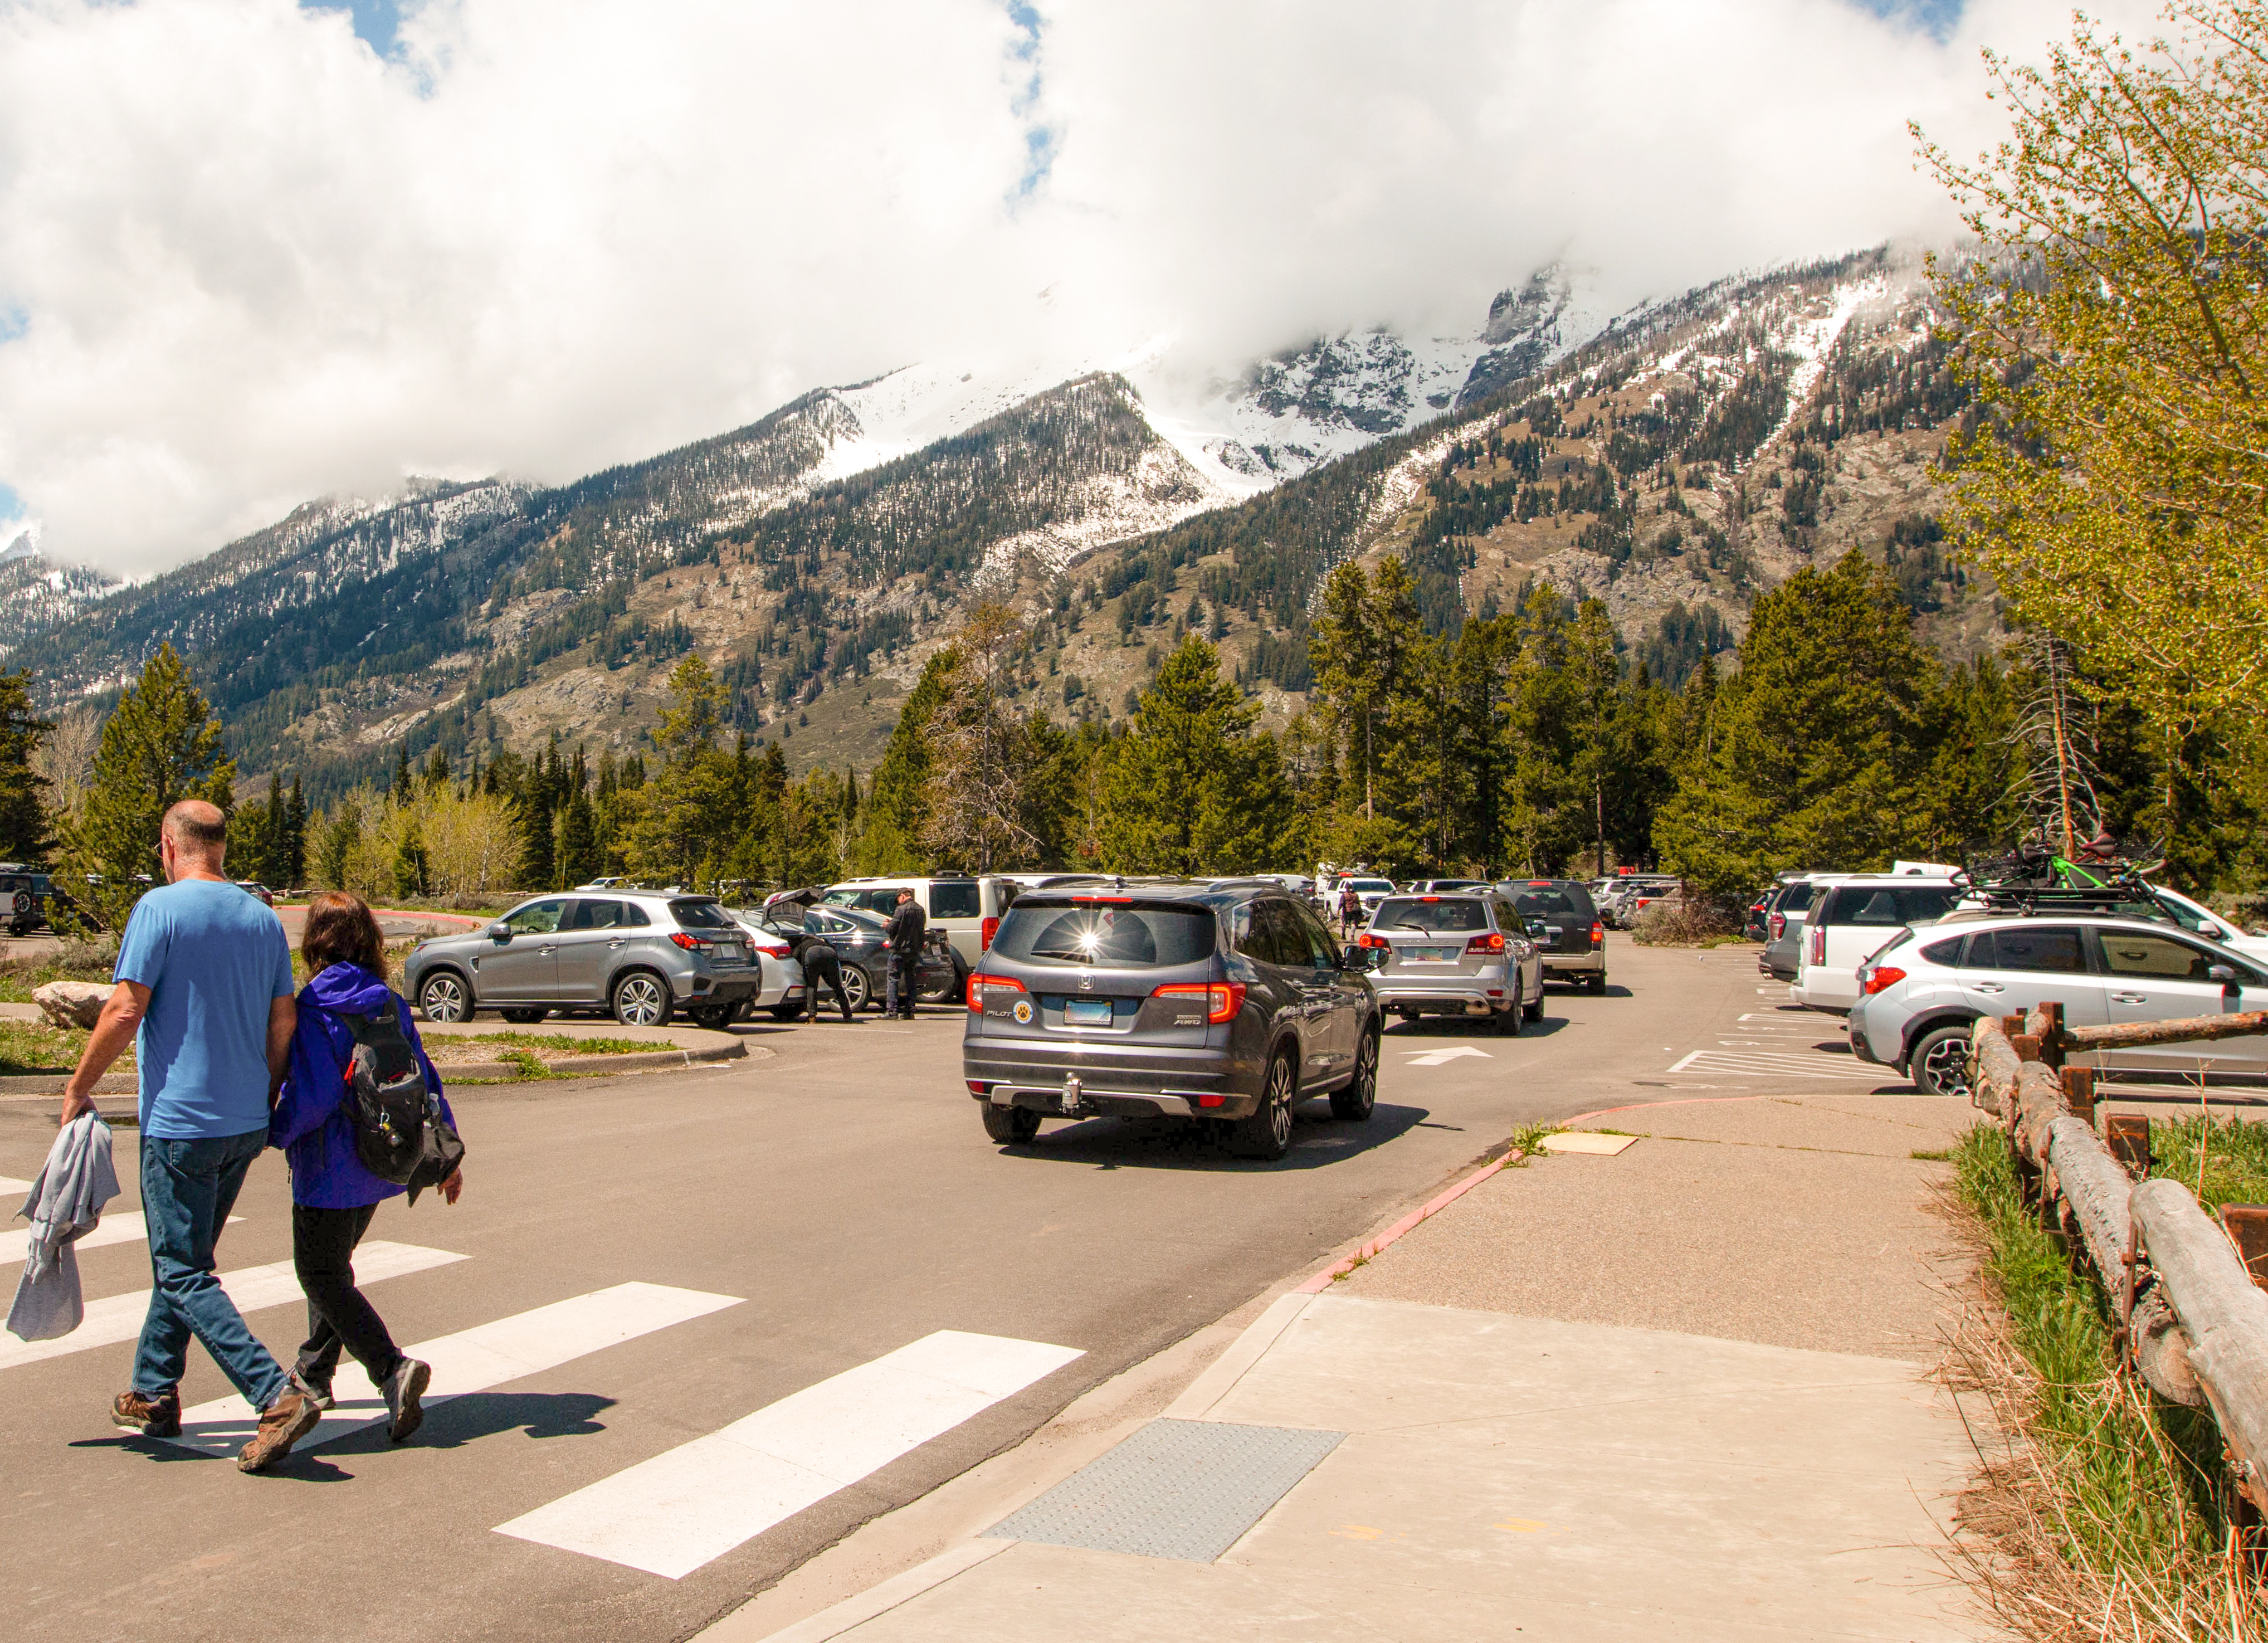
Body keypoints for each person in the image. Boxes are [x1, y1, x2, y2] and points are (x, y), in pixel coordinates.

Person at [61, 800, 322, 1474]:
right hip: (243, 1119)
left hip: (181, 1122)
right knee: (184, 1262)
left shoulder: (159, 909)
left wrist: (78, 1086)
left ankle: (275, 1395)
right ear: (222, 849)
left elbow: (125, 1007)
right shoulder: (262, 919)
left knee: (181, 1268)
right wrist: (265, 1094)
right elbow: (284, 1021)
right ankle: (153, 1392)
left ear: (168, 848)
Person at [269, 891, 462, 1443]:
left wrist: (270, 1132)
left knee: (321, 1276)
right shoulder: (389, 1002)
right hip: (382, 1163)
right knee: (335, 1274)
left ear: (314, 941)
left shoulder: (314, 1008)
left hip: (327, 1169)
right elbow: (423, 1077)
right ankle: (314, 1373)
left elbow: (311, 1097)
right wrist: (445, 1153)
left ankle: (390, 1369)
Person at [794, 918, 854, 1022]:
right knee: (837, 986)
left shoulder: (803, 943)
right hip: (829, 952)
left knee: (812, 986)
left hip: (812, 954)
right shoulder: (821, 940)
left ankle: (812, 1017)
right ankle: (848, 1014)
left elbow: (795, 956)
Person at [883, 890, 926, 1020]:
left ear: (902, 896)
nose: (898, 902)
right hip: (914, 950)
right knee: (910, 980)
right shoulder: (920, 909)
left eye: (899, 899)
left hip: (899, 949)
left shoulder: (900, 910)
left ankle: (892, 1011)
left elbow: (893, 929)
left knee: (893, 979)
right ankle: (910, 1010)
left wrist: (887, 925)